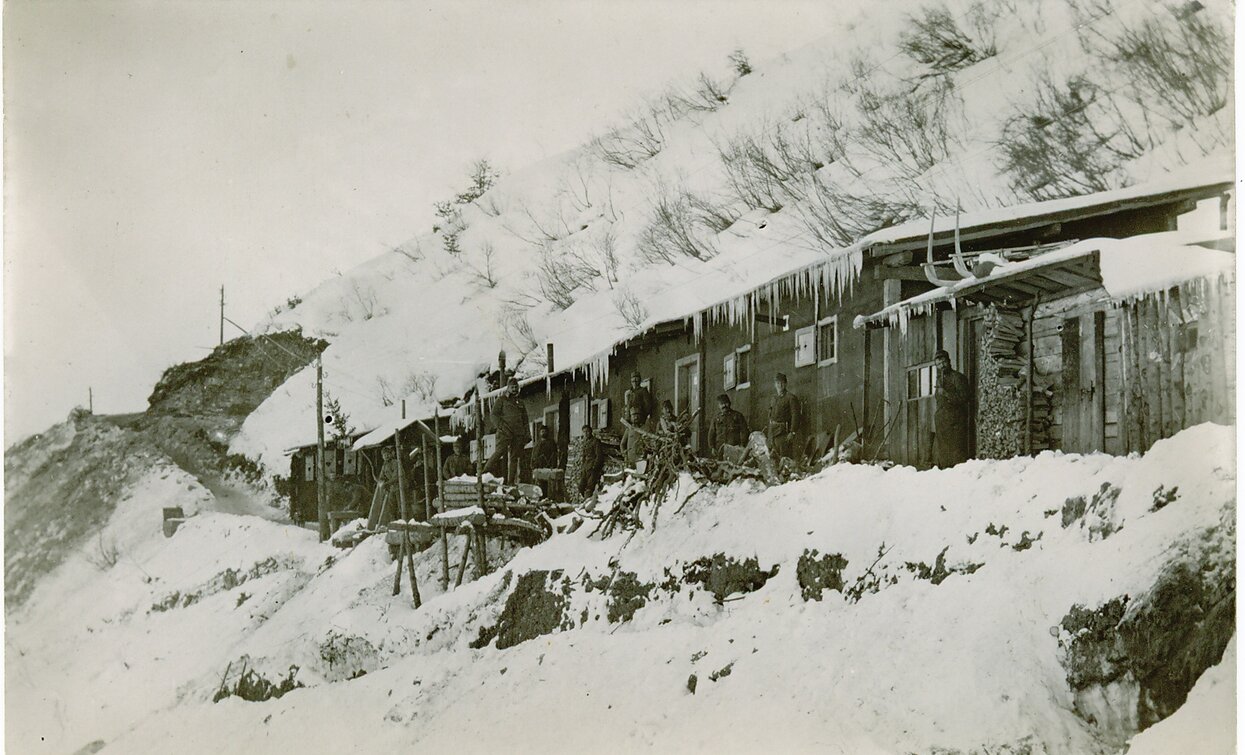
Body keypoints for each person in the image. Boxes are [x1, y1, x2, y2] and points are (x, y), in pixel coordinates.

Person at [485, 378, 530, 484]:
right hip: (505, 432)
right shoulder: (501, 400)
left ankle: (510, 482)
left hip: (518, 434)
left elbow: (525, 420)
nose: (514, 389)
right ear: (508, 388)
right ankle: (483, 473)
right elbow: (493, 415)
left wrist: (527, 433)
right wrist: (501, 426)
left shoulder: (520, 402)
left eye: (516, 387)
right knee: (499, 453)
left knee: (514, 458)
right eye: (512, 387)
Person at [933, 349, 971, 469]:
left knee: (957, 456)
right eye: (938, 364)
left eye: (943, 362)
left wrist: (946, 393)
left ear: (949, 361)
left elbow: (964, 398)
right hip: (943, 422)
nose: (942, 366)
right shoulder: (939, 380)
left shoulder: (958, 378)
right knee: (944, 456)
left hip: (956, 422)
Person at [767, 372, 802, 461]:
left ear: (786, 384)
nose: (780, 385)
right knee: (773, 458)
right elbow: (770, 417)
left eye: (782, 383)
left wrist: (792, 432)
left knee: (785, 458)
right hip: (773, 432)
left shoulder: (790, 398)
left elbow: (795, 415)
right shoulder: (773, 398)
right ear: (775, 385)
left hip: (783, 433)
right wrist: (769, 434)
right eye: (778, 383)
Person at [707, 393, 749, 458]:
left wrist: (742, 445)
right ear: (718, 405)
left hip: (734, 448)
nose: (724, 405)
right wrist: (712, 447)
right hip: (720, 449)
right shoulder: (716, 418)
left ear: (729, 403)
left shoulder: (737, 416)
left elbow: (744, 431)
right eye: (721, 404)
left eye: (726, 403)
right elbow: (711, 433)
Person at [578, 424, 605, 499]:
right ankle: (586, 501)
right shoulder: (585, 443)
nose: (586, 433)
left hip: (593, 468)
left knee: (589, 487)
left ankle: (589, 504)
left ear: (591, 432)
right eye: (584, 432)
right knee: (581, 487)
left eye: (587, 431)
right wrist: (583, 467)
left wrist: (594, 467)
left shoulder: (595, 441)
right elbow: (583, 456)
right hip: (586, 468)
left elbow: (599, 456)